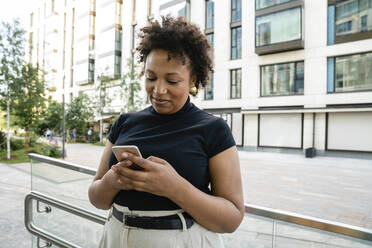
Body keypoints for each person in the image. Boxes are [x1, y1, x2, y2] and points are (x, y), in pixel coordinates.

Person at [88, 16, 244, 248]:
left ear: (193, 79)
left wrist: (173, 187)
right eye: (151, 77)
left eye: (172, 81)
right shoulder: (125, 122)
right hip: (116, 237)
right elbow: (97, 198)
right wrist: (113, 180)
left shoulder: (213, 129)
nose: (158, 90)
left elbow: (231, 219)